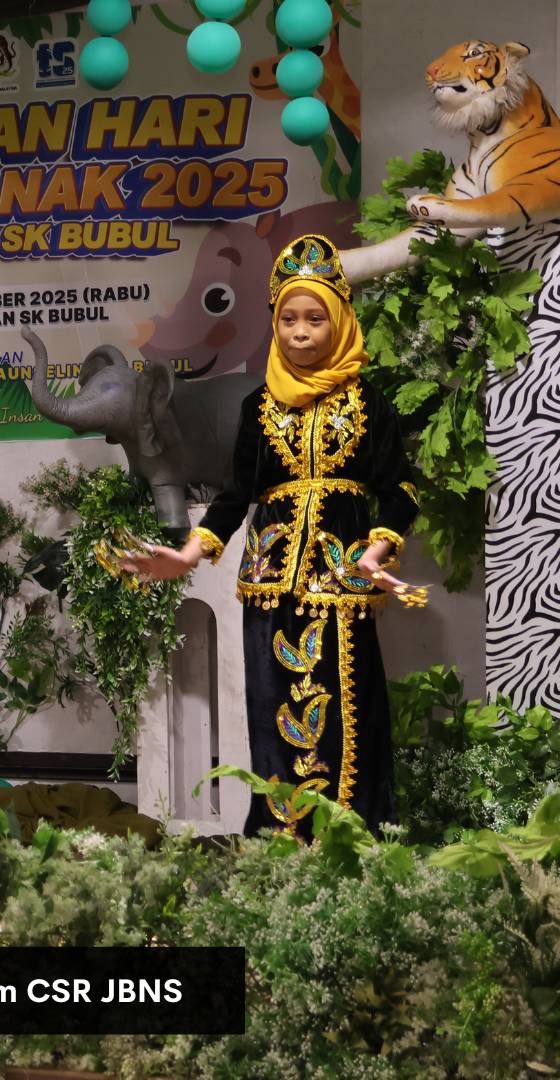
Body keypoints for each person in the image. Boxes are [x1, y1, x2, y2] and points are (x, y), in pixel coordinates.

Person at [123, 233, 425, 837]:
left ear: (339, 321)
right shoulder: (259, 407)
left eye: (315, 318)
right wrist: (187, 554)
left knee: (346, 712)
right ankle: (282, 840)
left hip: (341, 582)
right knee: (271, 709)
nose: (300, 332)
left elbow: (399, 488)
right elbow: (237, 495)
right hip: (269, 586)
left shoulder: (371, 403)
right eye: (288, 318)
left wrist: (379, 544)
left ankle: (348, 838)